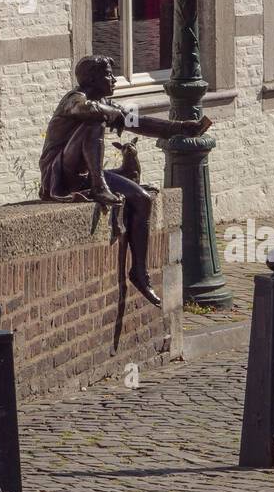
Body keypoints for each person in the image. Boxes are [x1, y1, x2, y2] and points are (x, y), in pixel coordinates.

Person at [39, 55, 210, 306]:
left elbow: (138, 122)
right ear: (93, 79)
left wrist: (183, 128)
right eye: (109, 74)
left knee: (141, 199)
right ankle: (99, 187)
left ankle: (139, 272)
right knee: (94, 123)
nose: (115, 79)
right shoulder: (74, 99)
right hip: (60, 174)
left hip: (85, 174)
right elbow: (86, 111)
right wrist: (112, 113)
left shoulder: (104, 104)